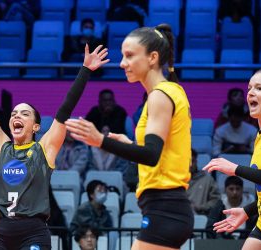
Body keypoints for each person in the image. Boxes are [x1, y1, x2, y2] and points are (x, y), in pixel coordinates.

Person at [0, 44, 109, 249]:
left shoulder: (44, 149)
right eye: (14, 114)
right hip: (2, 234)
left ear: (36, 126)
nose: (17, 115)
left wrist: (85, 70)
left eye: (24, 113)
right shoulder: (2, 147)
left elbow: (65, 109)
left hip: (34, 233)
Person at [66, 23, 194, 250]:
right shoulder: (169, 91)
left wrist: (100, 141)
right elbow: (160, 150)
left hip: (165, 208)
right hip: (167, 208)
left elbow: (152, 155)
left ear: (153, 57)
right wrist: (132, 145)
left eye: (129, 56)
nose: (122, 63)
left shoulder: (159, 96)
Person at [203, 70, 261, 249]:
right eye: (249, 88)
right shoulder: (259, 136)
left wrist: (235, 169)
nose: (250, 92)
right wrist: (247, 211)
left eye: (259, 88)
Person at [187, 149, 220, 215]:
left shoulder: (208, 180)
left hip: (202, 218)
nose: (190, 165)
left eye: (192, 161)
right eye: (187, 162)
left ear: (196, 161)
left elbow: (216, 201)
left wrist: (201, 207)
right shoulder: (176, 181)